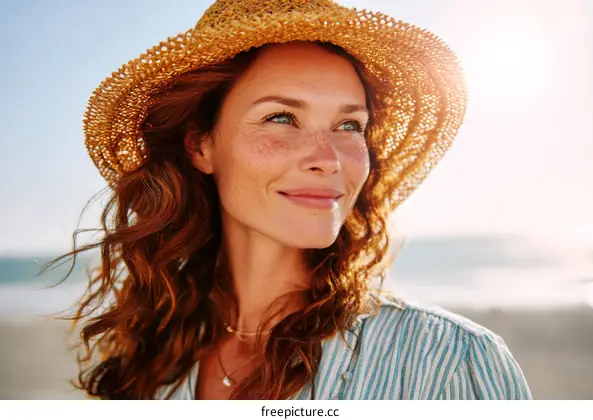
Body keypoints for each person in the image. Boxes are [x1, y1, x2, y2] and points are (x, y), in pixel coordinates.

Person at [51, 0, 532, 399]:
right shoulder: (151, 364)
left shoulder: (448, 361)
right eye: (281, 118)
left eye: (349, 125)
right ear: (201, 145)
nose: (328, 159)